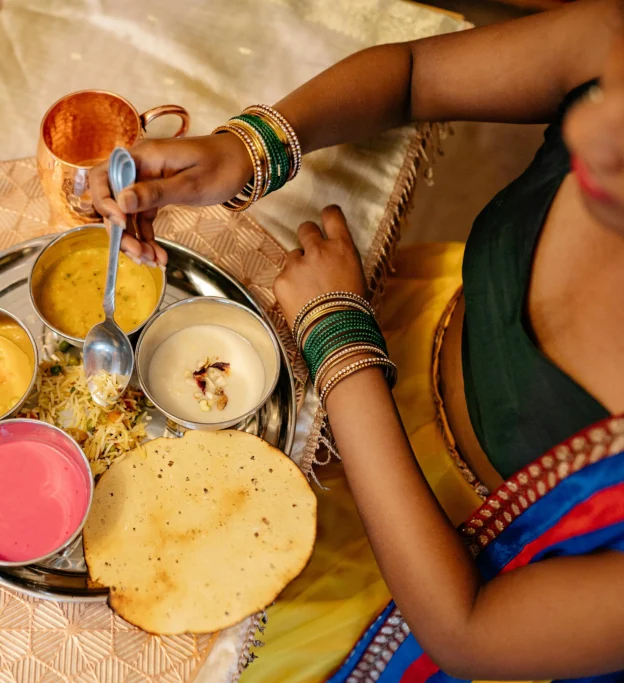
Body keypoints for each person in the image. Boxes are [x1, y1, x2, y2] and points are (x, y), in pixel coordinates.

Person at [90, 1, 624, 681]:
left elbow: (471, 627)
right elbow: (415, 75)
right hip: (403, 328)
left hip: (426, 553)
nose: (587, 125)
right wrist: (243, 150)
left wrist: (340, 340)